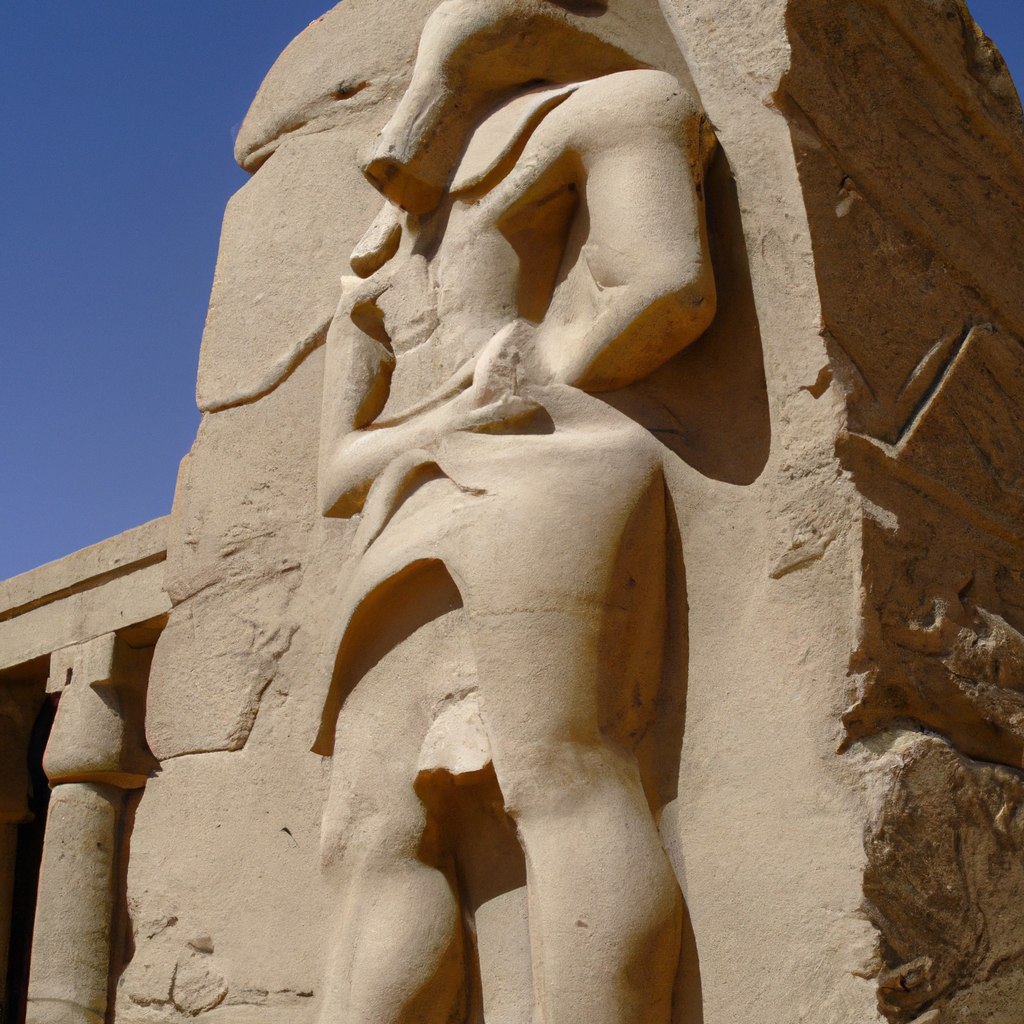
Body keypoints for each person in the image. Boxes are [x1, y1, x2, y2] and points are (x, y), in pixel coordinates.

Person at [313, 3, 716, 1022]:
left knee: (557, 773)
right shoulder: (374, 254)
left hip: (551, 461)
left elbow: (668, 284)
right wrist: (448, 417)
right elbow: (337, 470)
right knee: (369, 830)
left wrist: (544, 366)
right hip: (403, 501)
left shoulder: (615, 106)